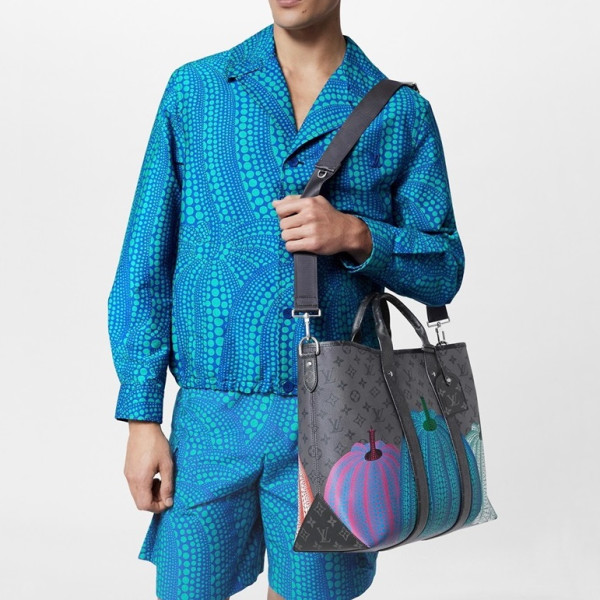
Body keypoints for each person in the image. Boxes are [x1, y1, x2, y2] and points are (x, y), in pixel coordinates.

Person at [107, 1, 465, 598]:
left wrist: (356, 235)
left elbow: (444, 268)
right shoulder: (197, 91)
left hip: (339, 421)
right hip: (211, 419)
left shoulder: (399, 112)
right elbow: (146, 260)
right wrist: (140, 417)